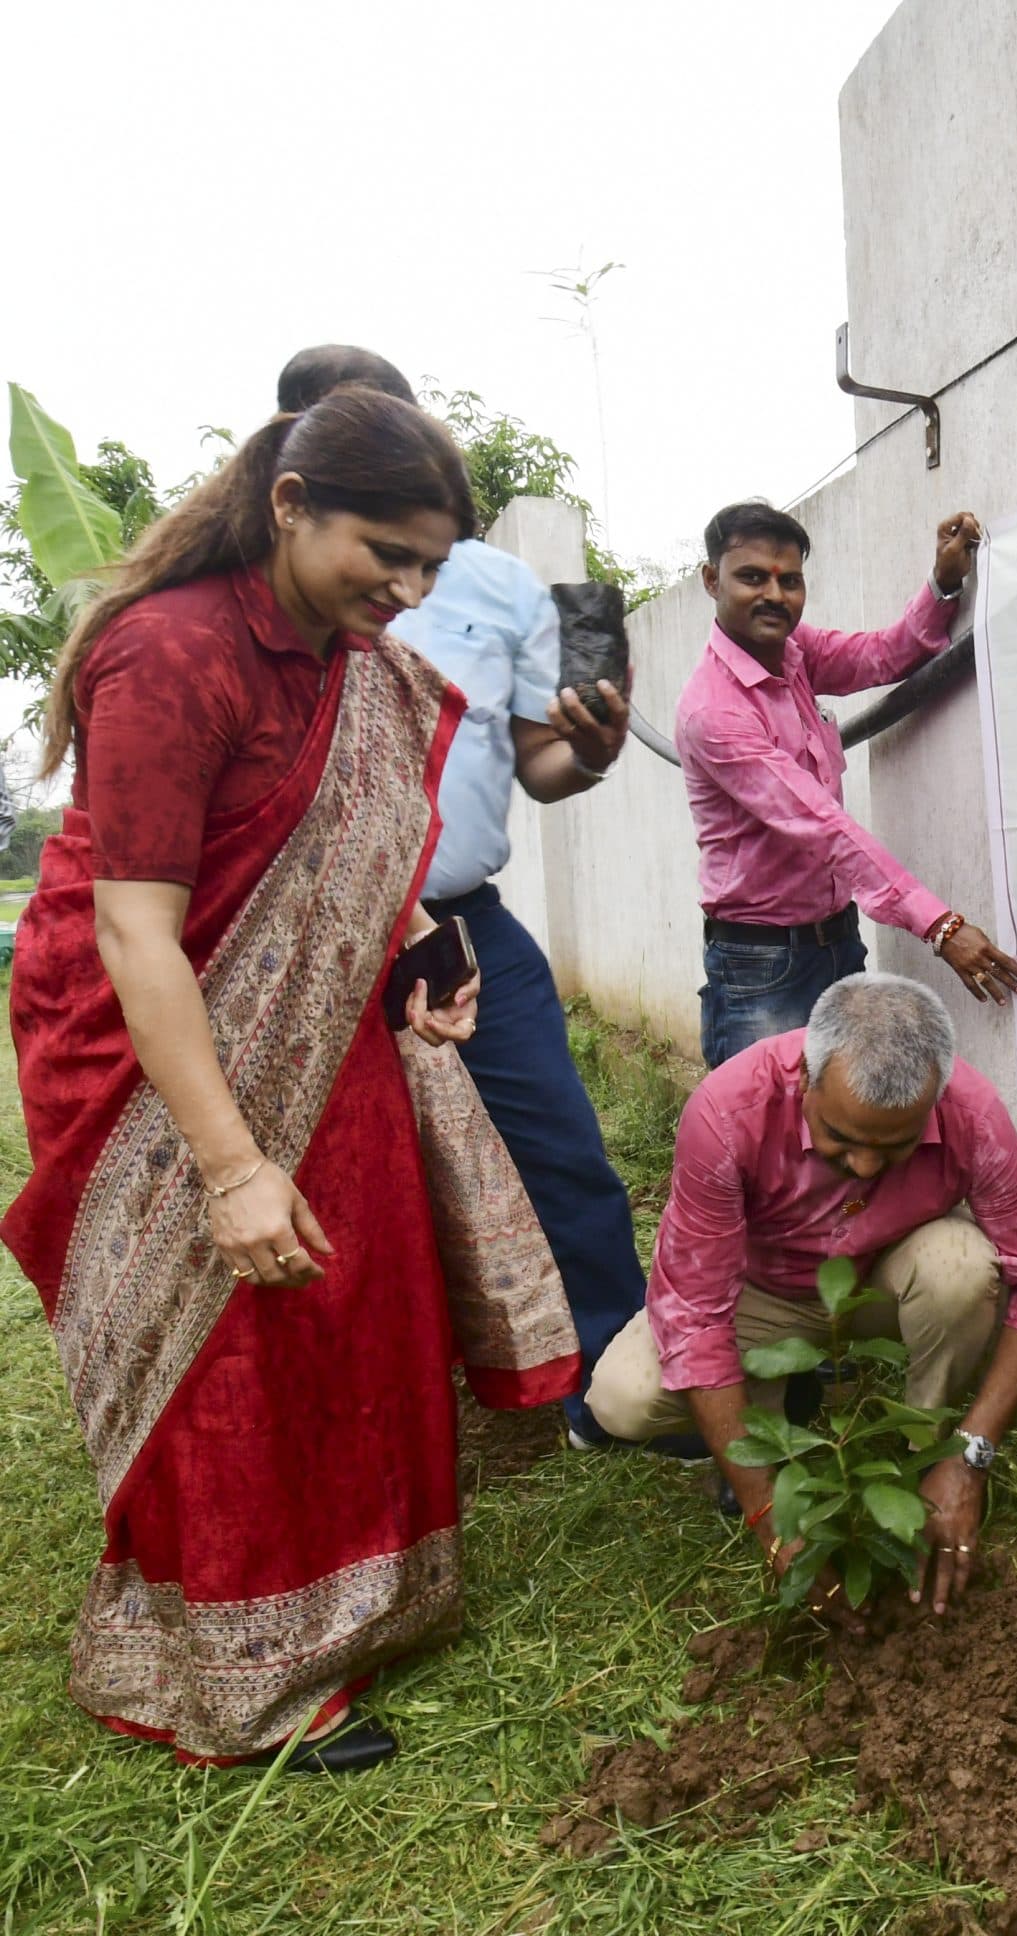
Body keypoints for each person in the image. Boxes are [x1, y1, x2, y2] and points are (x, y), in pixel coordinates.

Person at [1, 388, 581, 1774]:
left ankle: (362, 1601)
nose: (408, 587)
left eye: (432, 564)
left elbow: (331, 854)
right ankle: (240, 1675)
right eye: (384, 550)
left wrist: (413, 946)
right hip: (150, 1038)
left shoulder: (346, 655)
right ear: (290, 504)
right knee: (234, 1343)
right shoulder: (171, 654)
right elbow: (139, 928)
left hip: (320, 1026)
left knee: (353, 1306)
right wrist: (229, 1165)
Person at [273, 346, 653, 1450]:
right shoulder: (245, 601)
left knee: (564, 1158)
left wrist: (591, 754)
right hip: (305, 942)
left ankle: (616, 1385)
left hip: (465, 925)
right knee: (350, 1188)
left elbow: (538, 761)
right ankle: (365, 1421)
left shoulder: (493, 584)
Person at [583, 974, 1017, 1617]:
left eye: (895, 1146)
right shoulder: (729, 1111)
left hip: (874, 1283)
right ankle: (776, 1419)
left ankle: (922, 1459)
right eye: (842, 1140)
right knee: (622, 1400)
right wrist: (767, 1516)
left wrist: (971, 1457)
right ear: (805, 1081)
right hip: (757, 1293)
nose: (867, 1166)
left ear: (932, 1101)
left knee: (962, 1267)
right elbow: (697, 1315)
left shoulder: (969, 1113)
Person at [676, 501, 1017, 1067]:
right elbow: (822, 826)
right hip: (761, 966)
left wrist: (943, 582)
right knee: (768, 1138)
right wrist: (941, 925)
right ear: (712, 580)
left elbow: (882, 656)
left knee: (848, 1126)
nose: (774, 595)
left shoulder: (795, 653)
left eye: (789, 580)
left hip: (837, 941)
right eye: (752, 577)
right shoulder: (713, 712)